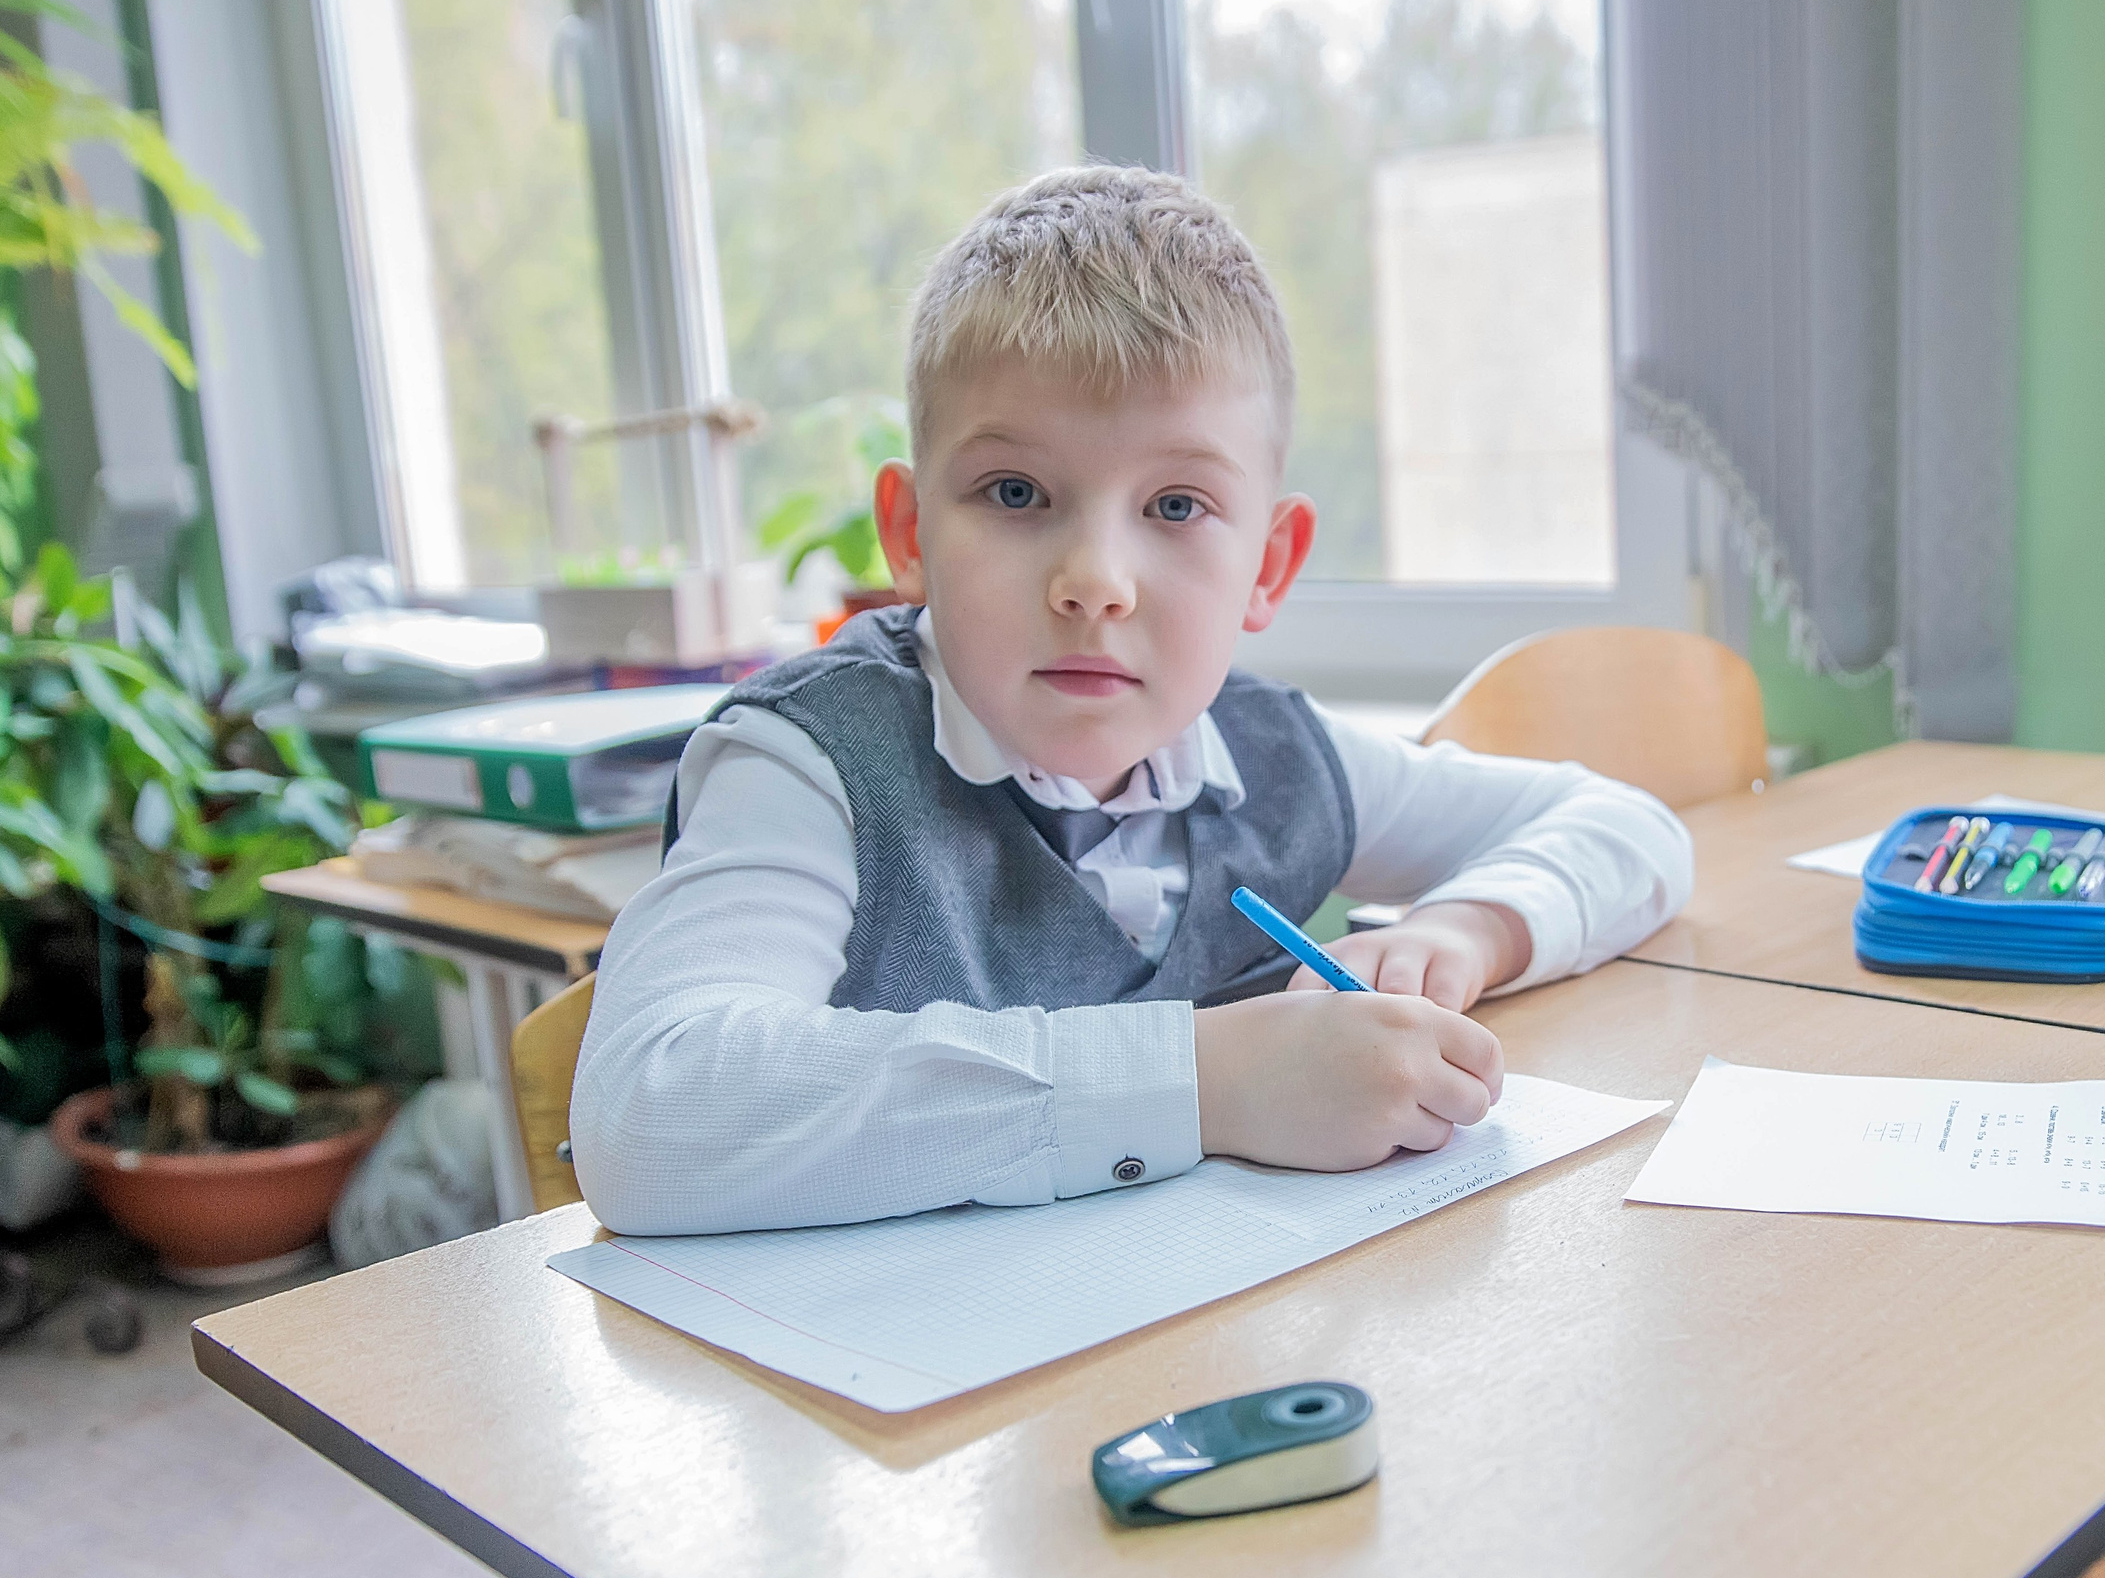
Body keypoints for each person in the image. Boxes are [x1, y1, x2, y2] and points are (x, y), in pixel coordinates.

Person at [570, 165, 1692, 1236]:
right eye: (1016, 493)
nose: (1095, 582)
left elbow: (1626, 827)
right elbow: (648, 1112)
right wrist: (1209, 1083)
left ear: (1269, 564)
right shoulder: (811, 765)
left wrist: (1468, 927)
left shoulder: (1268, 750)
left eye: (1175, 505)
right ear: (912, 535)